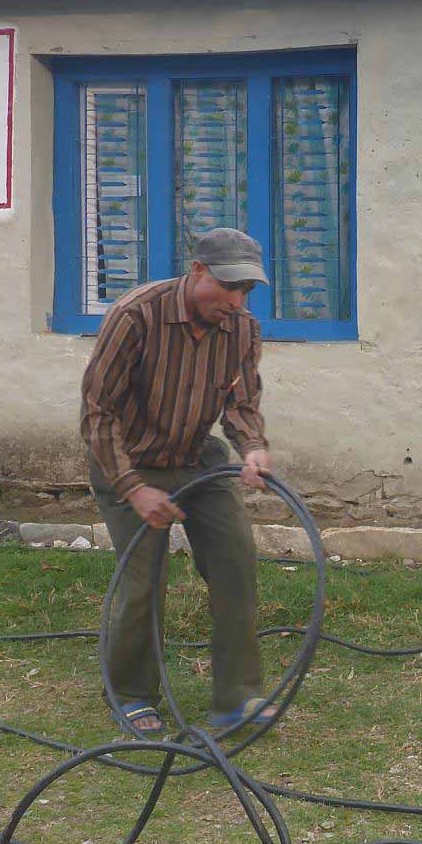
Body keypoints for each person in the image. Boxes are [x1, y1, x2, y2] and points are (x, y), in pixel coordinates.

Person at [80, 227, 277, 737]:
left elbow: (241, 403)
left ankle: (237, 698)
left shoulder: (242, 329)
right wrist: (133, 488)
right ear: (197, 271)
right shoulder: (136, 316)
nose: (236, 301)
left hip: (196, 458)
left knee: (236, 562)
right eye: (228, 287)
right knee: (144, 577)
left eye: (245, 290)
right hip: (128, 461)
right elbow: (98, 412)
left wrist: (253, 448)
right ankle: (130, 693)